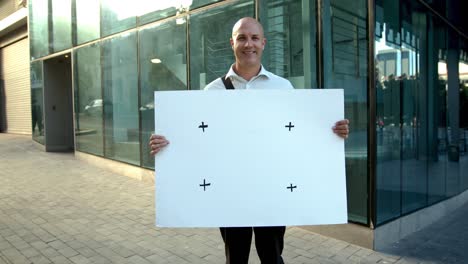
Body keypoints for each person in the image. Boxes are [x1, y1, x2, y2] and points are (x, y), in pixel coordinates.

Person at [149, 17, 349, 264]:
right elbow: (199, 139)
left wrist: (332, 133)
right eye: (242, 37)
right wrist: (167, 143)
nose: (248, 44)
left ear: (263, 43)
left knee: (272, 256)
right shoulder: (212, 92)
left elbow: (298, 135)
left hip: (272, 188)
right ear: (232, 42)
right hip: (229, 189)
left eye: (254, 38)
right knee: (236, 257)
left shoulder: (283, 88)